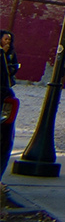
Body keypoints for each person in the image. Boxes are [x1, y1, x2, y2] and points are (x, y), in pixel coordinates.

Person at [1, 29, 20, 166]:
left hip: (5, 86)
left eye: (9, 39)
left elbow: (13, 67)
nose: (7, 41)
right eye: (5, 39)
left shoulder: (10, 53)